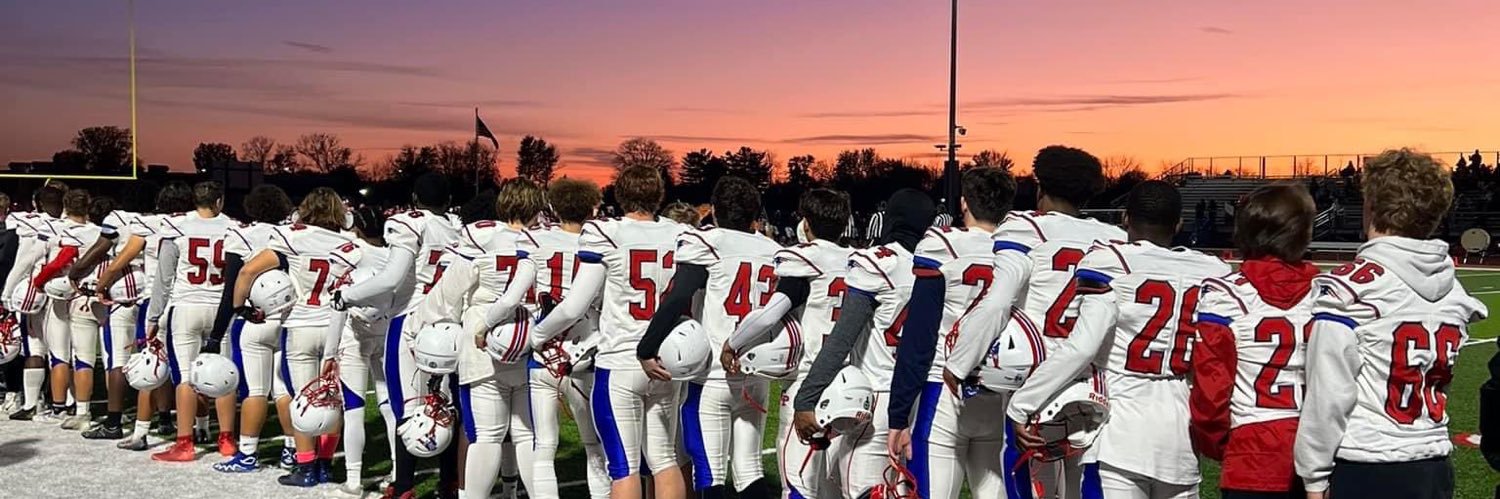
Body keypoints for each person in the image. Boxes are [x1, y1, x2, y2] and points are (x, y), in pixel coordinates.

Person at [1008, 181, 1230, 499]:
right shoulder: (1212, 271)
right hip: (1181, 429)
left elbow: (1082, 347)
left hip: (1120, 428)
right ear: (1179, 224)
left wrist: (1023, 404)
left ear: (1125, 218)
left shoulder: (1113, 262)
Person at [1295, 148, 1487, 499]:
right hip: (1434, 463)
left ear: (1371, 205)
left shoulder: (1350, 289)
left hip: (1368, 464)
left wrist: (1314, 475)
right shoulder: (1453, 290)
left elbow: (1328, 395)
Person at [945, 146, 1126, 499]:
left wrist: (959, 363)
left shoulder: (1026, 228)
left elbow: (999, 300)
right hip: (1095, 387)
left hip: (1035, 382)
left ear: (1041, 187)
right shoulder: (1114, 239)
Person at [528, 165, 690, 499]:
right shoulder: (679, 233)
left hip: (621, 360)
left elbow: (574, 306)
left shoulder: (607, 232)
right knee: (664, 458)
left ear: (620, 194)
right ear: (659, 195)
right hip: (667, 358)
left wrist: (537, 335)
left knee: (623, 467)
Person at [637, 176, 782, 499]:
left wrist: (646, 348)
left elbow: (678, 297)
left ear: (714, 210)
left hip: (713, 376)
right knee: (750, 470)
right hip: (755, 373)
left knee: (709, 474)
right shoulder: (773, 250)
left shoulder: (709, 242)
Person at [886, 167, 1021, 499]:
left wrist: (899, 413)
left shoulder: (943, 245)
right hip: (1002, 393)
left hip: (943, 390)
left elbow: (919, 336)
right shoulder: (1022, 250)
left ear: (964, 203)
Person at [791, 188, 934, 499]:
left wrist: (806, 398)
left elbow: (843, 337)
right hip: (919, 397)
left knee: (860, 489)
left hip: (875, 395)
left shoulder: (881, 262)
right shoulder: (936, 265)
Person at [415, 178, 545, 498]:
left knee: (486, 435)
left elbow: (446, 295)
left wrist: (424, 325)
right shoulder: (546, 241)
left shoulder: (482, 237)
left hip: (483, 344)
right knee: (527, 435)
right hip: (529, 343)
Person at [335, 173, 462, 499]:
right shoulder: (456, 227)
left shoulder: (410, 223)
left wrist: (347, 296)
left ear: (415, 199)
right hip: (449, 325)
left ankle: (404, 486)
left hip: (410, 321)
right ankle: (448, 484)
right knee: (445, 408)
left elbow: (391, 279)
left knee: (407, 407)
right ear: (448, 201)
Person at [1189, 184, 1319, 499]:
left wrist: (1220, 443)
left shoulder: (1225, 296)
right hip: (1320, 444)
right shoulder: (1331, 292)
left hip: (1251, 448)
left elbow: (1211, 389)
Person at [723, 188, 853, 499]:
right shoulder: (858, 261)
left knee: (798, 485)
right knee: (834, 487)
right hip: (850, 382)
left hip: (809, 383)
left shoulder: (804, 260)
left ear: (806, 222)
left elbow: (770, 314)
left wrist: (732, 343)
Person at [231, 187, 353, 486]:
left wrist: (240, 307)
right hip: (336, 328)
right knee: (331, 398)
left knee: (303, 400)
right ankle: (325, 464)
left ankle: (307, 466)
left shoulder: (293, 236)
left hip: (300, 327)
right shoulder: (349, 242)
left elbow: (247, 272)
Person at [516, 178, 611, 499]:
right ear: (592, 209)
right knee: (593, 445)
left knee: (544, 446)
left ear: (554, 208)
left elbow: (518, 291)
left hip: (543, 349)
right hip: (585, 350)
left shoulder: (535, 239)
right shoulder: (602, 242)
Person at [142, 181, 239, 461]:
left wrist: (153, 316)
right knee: (224, 374)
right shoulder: (234, 228)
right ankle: (226, 439)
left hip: (186, 307)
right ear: (219, 201)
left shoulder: (178, 227)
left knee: (185, 377)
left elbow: (164, 278)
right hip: (221, 309)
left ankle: (184, 443)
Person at [97, 182, 195, 449]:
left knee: (150, 365)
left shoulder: (149, 225)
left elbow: (121, 260)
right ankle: (191, 425)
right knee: (188, 367)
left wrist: (101, 285)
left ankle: (138, 431)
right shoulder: (196, 224)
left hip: (156, 301)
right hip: (188, 301)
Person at [208, 184, 295, 472]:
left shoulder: (242, 235)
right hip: (287, 318)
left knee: (256, 390)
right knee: (283, 389)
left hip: (255, 319)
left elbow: (233, 285)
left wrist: (221, 329)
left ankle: (247, 454)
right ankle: (292, 451)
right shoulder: (292, 234)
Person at [65, 186, 157, 440]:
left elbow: (100, 248)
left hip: (123, 288)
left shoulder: (117, 219)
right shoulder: (156, 220)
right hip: (149, 290)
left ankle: (114, 421)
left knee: (118, 360)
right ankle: (162, 418)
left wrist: (76, 272)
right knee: (153, 357)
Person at [327, 205, 399, 497]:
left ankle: (354, 479)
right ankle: (398, 472)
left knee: (354, 408)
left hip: (353, 335)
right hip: (386, 331)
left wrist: (329, 352)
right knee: (389, 405)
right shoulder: (396, 255)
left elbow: (337, 302)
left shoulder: (350, 252)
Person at [28, 189, 98, 428]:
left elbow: (57, 261)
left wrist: (38, 282)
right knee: (85, 356)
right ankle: (81, 405)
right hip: (88, 295)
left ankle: (59, 407)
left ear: (66, 206)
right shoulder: (98, 230)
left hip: (61, 295)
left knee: (59, 354)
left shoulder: (57, 228)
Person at [1, 184, 66, 422]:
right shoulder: (75, 226)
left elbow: (25, 260)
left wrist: (8, 291)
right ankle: (66, 404)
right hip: (66, 294)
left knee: (36, 349)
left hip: (38, 291)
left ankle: (33, 403)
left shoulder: (33, 225)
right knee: (64, 351)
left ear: (38, 204)